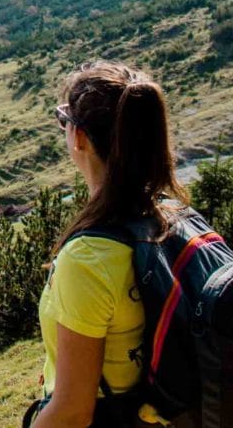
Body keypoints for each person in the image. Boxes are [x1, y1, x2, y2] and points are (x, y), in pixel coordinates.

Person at [31, 62, 187, 428]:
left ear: (80, 138)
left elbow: (72, 411)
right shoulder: (171, 219)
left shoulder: (88, 259)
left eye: (63, 119)